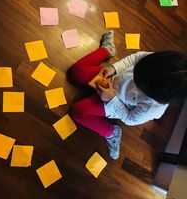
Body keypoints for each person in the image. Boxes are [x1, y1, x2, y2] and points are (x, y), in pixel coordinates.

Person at [70, 31, 187, 160]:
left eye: (139, 83)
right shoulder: (159, 63)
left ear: (156, 97)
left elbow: (129, 118)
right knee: (76, 71)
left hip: (115, 103)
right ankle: (107, 49)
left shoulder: (152, 108)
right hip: (112, 79)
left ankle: (112, 133)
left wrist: (111, 99)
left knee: (78, 111)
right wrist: (114, 68)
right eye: (137, 71)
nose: (134, 78)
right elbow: (136, 57)